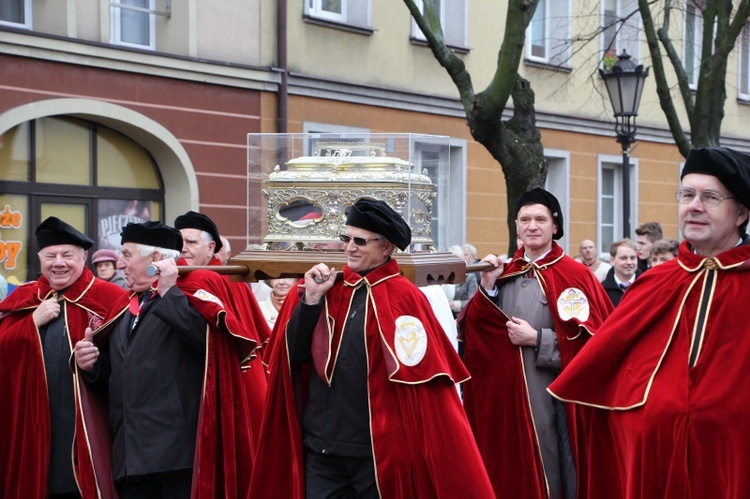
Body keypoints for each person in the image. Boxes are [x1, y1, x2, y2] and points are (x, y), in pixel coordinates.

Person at [249, 197, 495, 498]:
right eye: (346, 238)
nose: (350, 247)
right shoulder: (328, 288)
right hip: (321, 448)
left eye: (360, 241)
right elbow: (293, 356)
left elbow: (424, 386)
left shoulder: (406, 298)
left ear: (386, 247)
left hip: (376, 453)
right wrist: (310, 301)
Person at [549, 146, 750, 498]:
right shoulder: (656, 282)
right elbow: (605, 373)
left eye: (710, 197)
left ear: (741, 213)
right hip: (652, 463)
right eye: (687, 194)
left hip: (732, 463)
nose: (694, 205)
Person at [74, 220, 258, 498]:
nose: (120, 265)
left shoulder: (194, 289)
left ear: (156, 259)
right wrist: (91, 365)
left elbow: (213, 345)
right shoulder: (124, 305)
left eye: (127, 255)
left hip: (174, 459)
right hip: (128, 455)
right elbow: (115, 373)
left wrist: (169, 292)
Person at [458, 188, 613, 499]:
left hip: (555, 398)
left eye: (540, 219)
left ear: (555, 227)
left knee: (557, 469)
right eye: (525, 219)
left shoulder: (576, 276)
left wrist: (538, 339)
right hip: (507, 399)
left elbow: (599, 346)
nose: (532, 226)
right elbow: (472, 335)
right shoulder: (503, 273)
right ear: (516, 226)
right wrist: (487, 290)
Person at [0, 217, 126, 498]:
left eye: (67, 255)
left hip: (91, 434)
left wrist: (95, 366)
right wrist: (30, 322)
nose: (58, 262)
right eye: (50, 256)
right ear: (39, 259)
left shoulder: (111, 299)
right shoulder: (25, 299)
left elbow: (129, 366)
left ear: (84, 257)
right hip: (31, 435)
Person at [601, 238, 640, 307]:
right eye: (623, 258)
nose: (629, 262)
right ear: (612, 261)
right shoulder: (602, 291)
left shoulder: (648, 286)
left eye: (632, 258)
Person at [445, 244, 478, 318]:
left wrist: (455, 304)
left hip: (462, 317)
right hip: (447, 315)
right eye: (449, 259)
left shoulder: (469, 276)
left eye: (454, 259)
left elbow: (473, 301)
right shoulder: (444, 276)